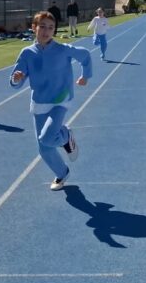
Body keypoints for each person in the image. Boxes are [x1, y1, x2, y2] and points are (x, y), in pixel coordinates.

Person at [10, 11, 93, 191]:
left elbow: (85, 55)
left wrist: (85, 76)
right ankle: (62, 173)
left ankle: (66, 136)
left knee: (47, 138)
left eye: (51, 27)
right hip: (39, 102)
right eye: (42, 27)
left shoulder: (63, 49)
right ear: (34, 28)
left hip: (60, 100)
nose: (46, 31)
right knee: (44, 148)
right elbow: (17, 80)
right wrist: (16, 79)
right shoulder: (26, 53)